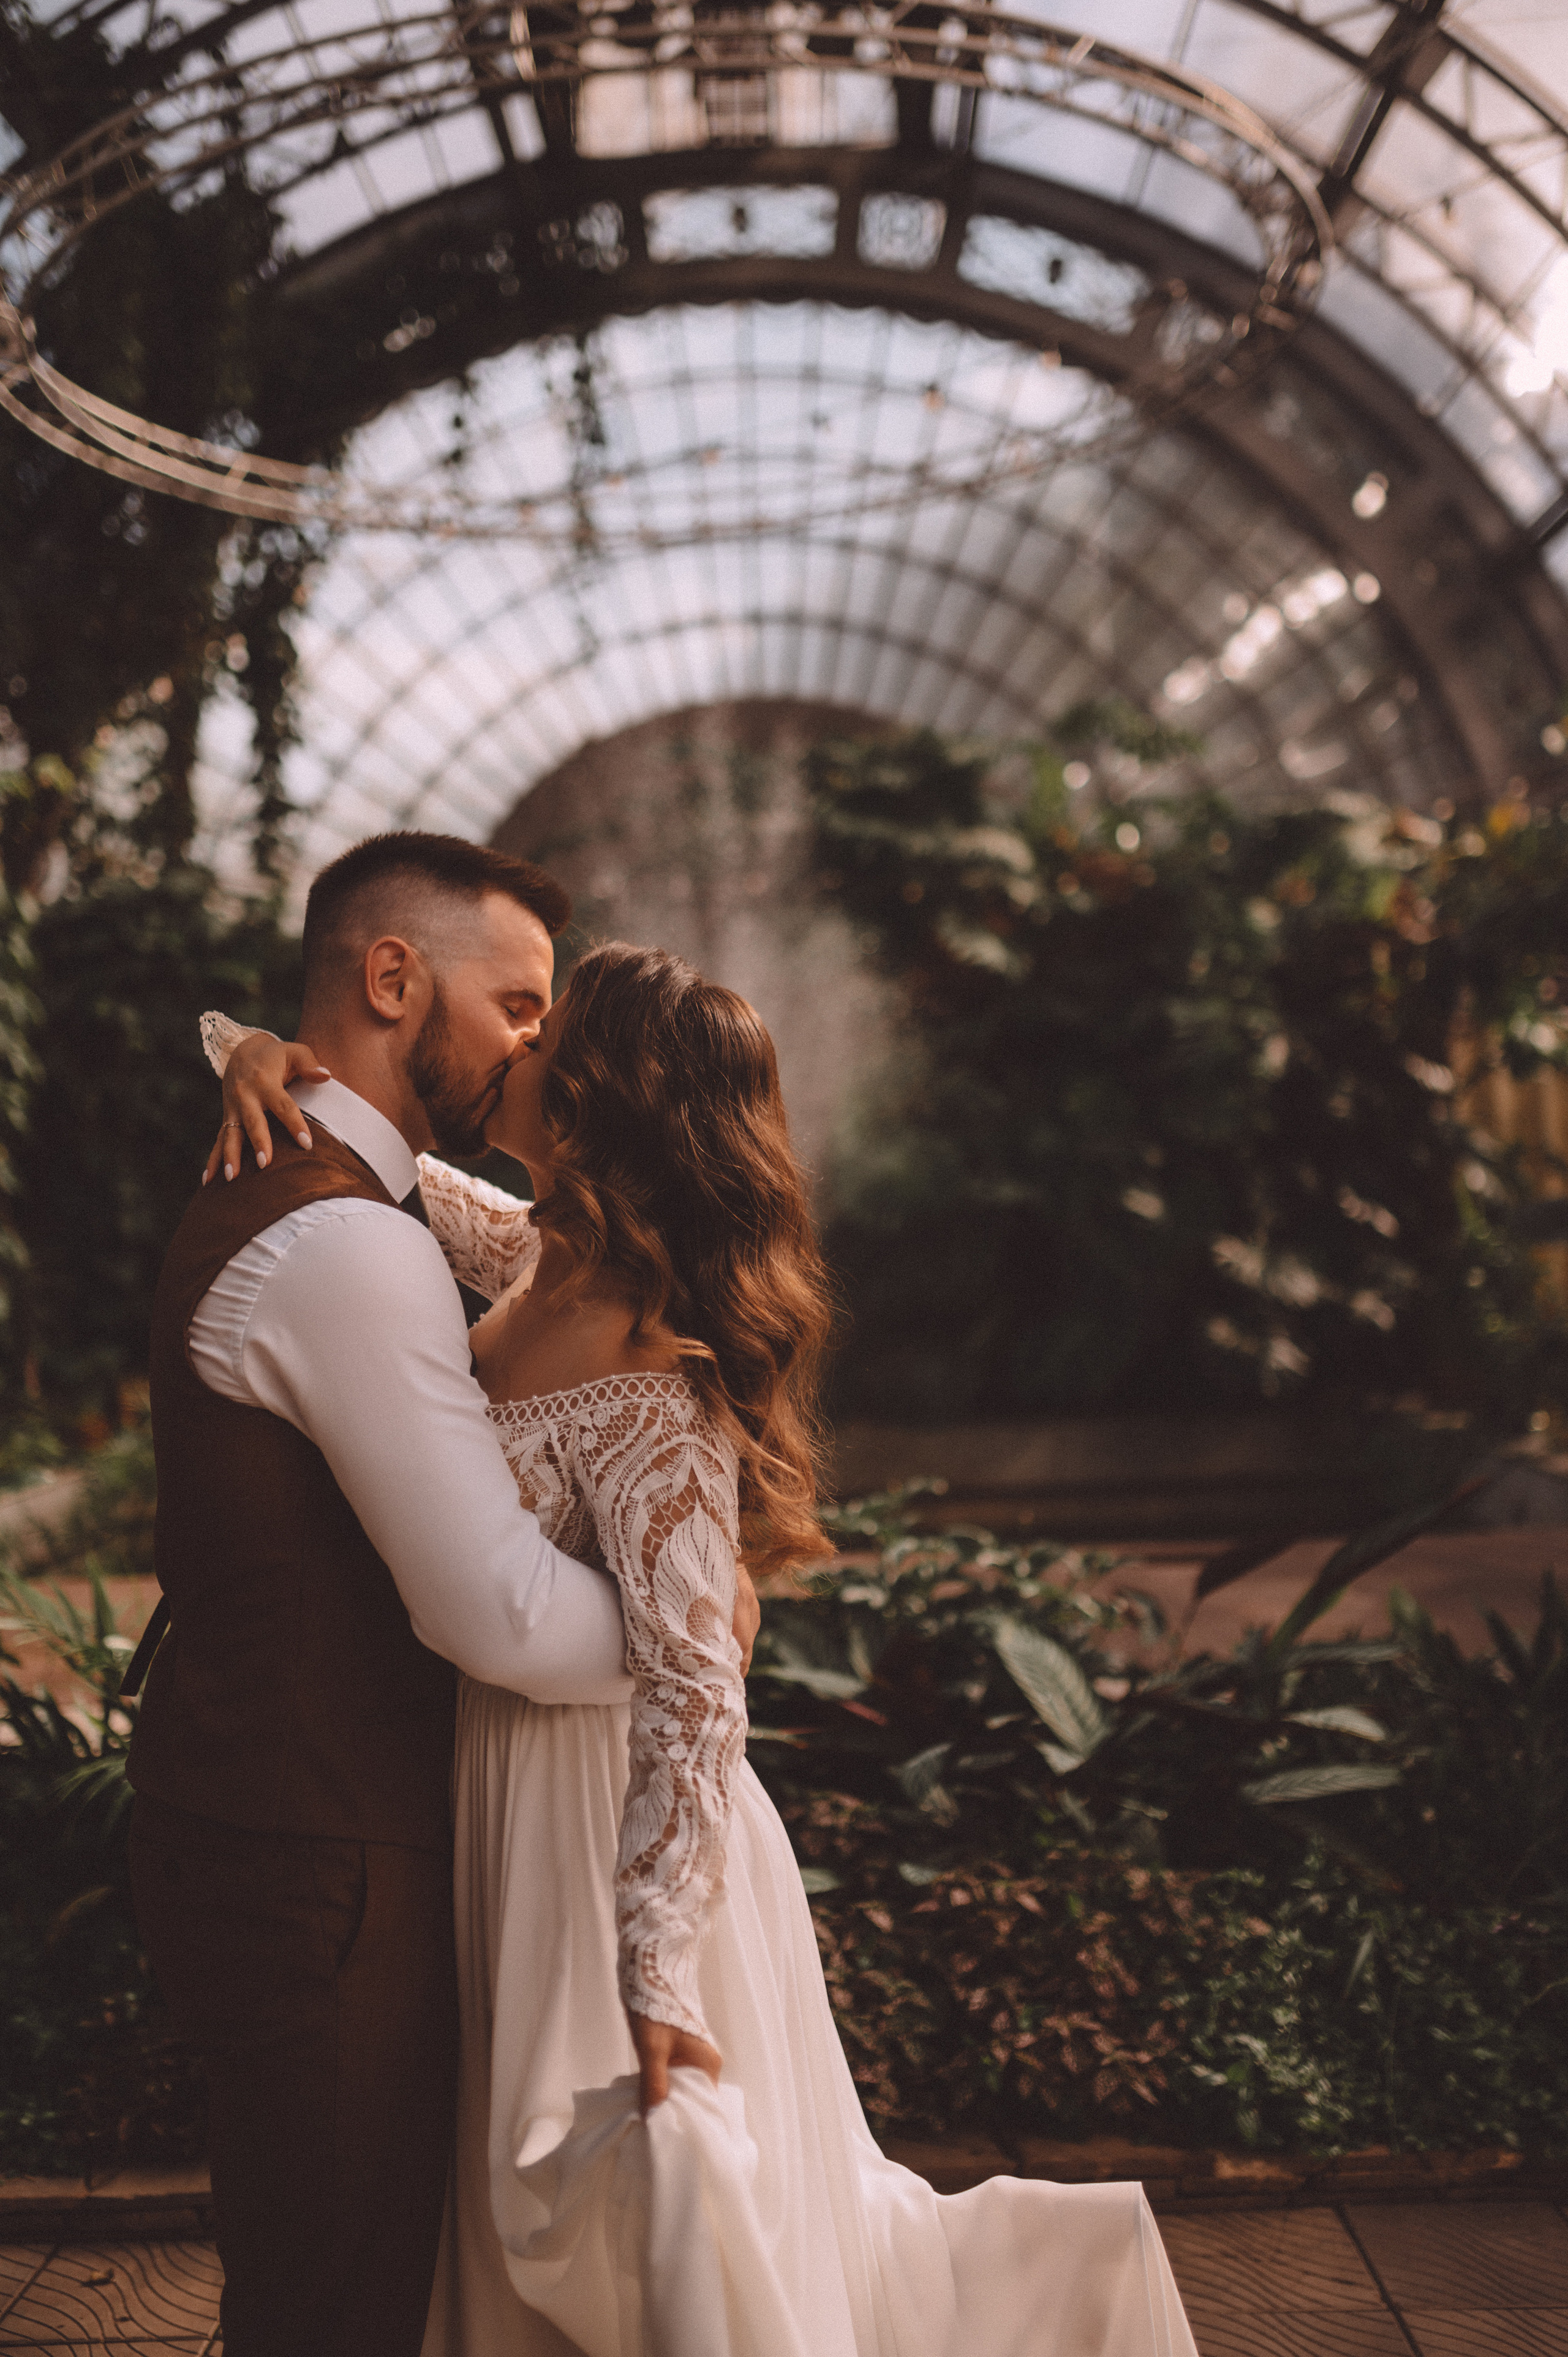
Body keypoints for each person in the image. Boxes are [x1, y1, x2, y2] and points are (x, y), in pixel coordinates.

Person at [213, 939, 1200, 2357]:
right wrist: (253, 1051)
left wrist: (656, 1969)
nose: (520, 1038)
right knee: (527, 2210)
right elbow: (353, 1149)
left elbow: (694, 1692)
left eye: (548, 1030)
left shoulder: (655, 1389)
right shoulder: (525, 1256)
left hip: (613, 1843)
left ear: (597, 1092)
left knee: (639, 2222)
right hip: (501, 1805)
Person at [128, 831, 759, 2357]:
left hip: (320, 1831)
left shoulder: (368, 1195)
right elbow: (497, 1614)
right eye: (522, 1001)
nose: (539, 1041)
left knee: (339, 2281)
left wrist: (253, 1045)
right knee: (335, 2300)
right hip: (320, 1857)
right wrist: (700, 1632)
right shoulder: (345, 1238)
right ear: (396, 979)